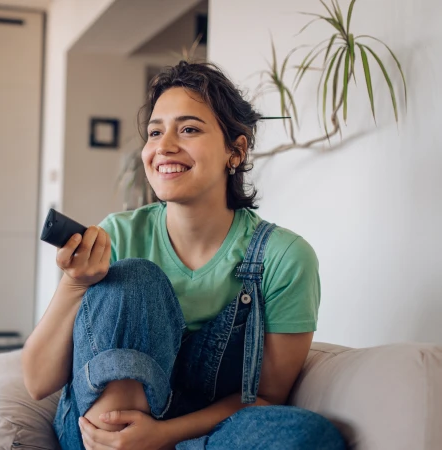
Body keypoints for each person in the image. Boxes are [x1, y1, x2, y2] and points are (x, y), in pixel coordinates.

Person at [22, 61, 345, 450]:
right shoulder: (119, 233)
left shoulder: (285, 258)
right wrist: (76, 284)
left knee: (310, 436)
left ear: (236, 151)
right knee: (137, 279)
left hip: (197, 435)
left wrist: (161, 436)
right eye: (155, 132)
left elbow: (265, 397)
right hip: (100, 436)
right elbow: (38, 382)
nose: (164, 146)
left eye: (189, 129)